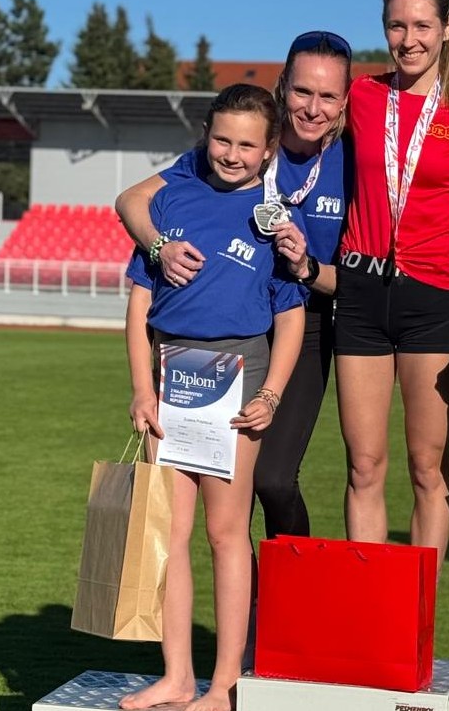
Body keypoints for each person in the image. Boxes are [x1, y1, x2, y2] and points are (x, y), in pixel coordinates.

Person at [116, 31, 352, 537]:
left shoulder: (353, 160)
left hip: (300, 318)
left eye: (328, 96)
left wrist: (307, 268)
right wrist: (160, 247)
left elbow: (353, 277)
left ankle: (287, 586)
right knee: (222, 507)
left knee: (273, 480)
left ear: (344, 100)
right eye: (302, 91)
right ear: (283, 86)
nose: (313, 108)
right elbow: (131, 200)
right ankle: (244, 590)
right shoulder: (233, 140)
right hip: (227, 330)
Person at [120, 84, 305, 711]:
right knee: (169, 534)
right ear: (205, 134)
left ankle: (225, 682)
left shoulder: (275, 220)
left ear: (269, 149)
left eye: (247, 145)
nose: (232, 153)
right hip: (170, 377)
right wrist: (142, 389)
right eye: (222, 139)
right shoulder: (170, 198)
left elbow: (290, 316)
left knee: (226, 533)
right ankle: (177, 674)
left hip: (238, 378)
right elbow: (139, 306)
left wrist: (272, 394)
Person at [334, 0, 449, 572]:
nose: (409, 39)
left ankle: (419, 611)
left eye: (422, 25)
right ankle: (367, 607)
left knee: (428, 469)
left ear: (448, 28)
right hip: (361, 295)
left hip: (431, 298)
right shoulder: (360, 97)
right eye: (396, 26)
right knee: (363, 466)